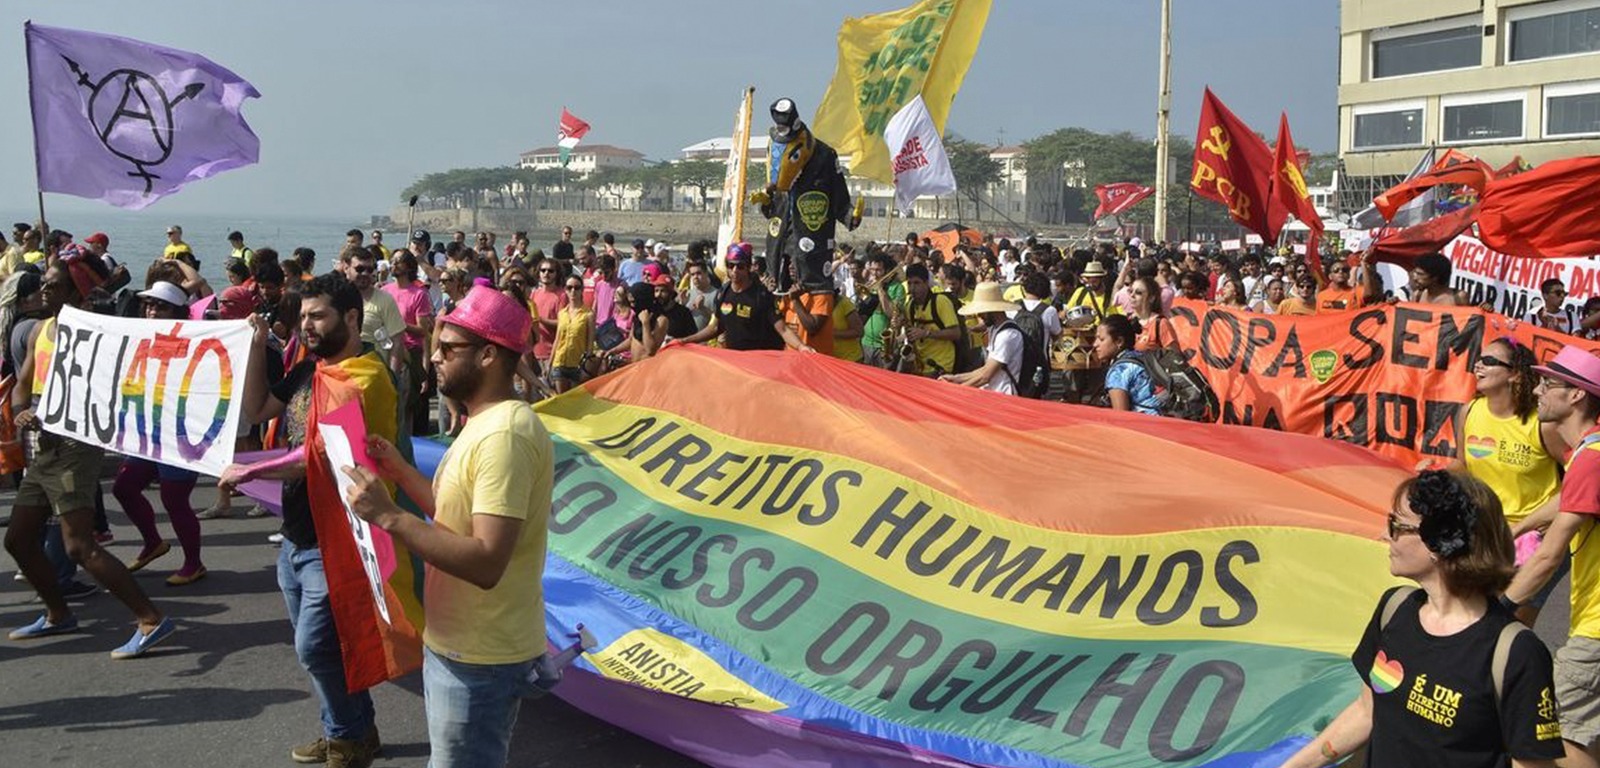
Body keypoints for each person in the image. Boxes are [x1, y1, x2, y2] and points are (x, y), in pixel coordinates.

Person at [343, 285, 553, 768]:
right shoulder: (484, 422)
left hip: (481, 654)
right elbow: (452, 513)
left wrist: (389, 516)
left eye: (448, 348)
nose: (433, 356)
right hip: (458, 642)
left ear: (488, 355)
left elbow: (485, 561)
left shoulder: (504, 435)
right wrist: (399, 471)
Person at [219, 272, 394, 767]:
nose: (308, 326)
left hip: (337, 540)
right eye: (303, 318)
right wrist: (257, 345)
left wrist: (249, 468)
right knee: (326, 650)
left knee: (315, 648)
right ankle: (353, 729)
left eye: (318, 316)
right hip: (295, 537)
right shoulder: (306, 371)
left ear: (352, 318)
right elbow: (256, 408)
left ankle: (346, 739)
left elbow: (320, 457)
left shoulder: (366, 377)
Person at [1279, 471, 1562, 768]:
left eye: (1397, 526)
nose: (1386, 535)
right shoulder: (1394, 609)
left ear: (1440, 542)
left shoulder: (1515, 651)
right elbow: (1366, 711)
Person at [5, 260, 175, 658]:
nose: (45, 291)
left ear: (76, 292)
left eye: (55, 285)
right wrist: (22, 410)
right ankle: (58, 614)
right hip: (42, 446)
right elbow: (23, 385)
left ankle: (150, 619)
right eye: (44, 284)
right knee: (17, 539)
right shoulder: (40, 330)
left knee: (79, 546)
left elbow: (118, 387)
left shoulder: (98, 333)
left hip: (75, 448)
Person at [1503, 345, 1600, 767]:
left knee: (1551, 735)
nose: (1538, 390)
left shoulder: (1591, 458)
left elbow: (1549, 555)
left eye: (1549, 383)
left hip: (1596, 627)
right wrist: (1520, 526)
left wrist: (1500, 607)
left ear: (1577, 395)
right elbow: (1569, 498)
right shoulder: (1590, 453)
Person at [1443, 338, 1566, 627]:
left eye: (1489, 361)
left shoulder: (1542, 423)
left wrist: (1553, 522)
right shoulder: (1469, 411)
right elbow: (1463, 463)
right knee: (1470, 618)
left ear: (1515, 374)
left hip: (1533, 541)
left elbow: (1575, 475)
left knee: (1510, 626)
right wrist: (1439, 474)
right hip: (1486, 533)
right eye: (1479, 359)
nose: (1478, 365)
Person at [113, 282, 208, 586]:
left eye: (161, 306)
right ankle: (153, 542)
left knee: (174, 499)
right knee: (124, 488)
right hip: (147, 433)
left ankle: (194, 563)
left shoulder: (196, 343)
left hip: (179, 435)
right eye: (149, 305)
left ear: (179, 311)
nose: (152, 311)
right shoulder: (141, 337)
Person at [672, 243, 811, 352]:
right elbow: (715, 328)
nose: (734, 271)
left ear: (748, 267)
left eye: (740, 266)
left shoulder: (761, 295)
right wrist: (685, 340)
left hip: (761, 361)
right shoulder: (723, 292)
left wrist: (801, 347)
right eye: (731, 265)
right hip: (736, 362)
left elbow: (783, 329)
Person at [382, 253, 435, 436]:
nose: (394, 264)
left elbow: (423, 331)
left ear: (409, 267)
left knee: (405, 405)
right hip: (386, 350)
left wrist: (399, 324)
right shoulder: (385, 290)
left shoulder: (419, 294)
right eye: (393, 261)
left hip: (409, 352)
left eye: (399, 261)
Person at [942, 283, 1024, 395]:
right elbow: (984, 370)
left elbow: (985, 376)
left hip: (1005, 397)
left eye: (982, 311)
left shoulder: (1007, 335)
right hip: (995, 394)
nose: (979, 315)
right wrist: (956, 378)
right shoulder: (995, 328)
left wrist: (957, 390)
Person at [1094, 315, 1161, 415]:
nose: (1095, 344)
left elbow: (1121, 417)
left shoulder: (1119, 372)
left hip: (1148, 426)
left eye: (1101, 339)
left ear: (1119, 341)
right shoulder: (1141, 357)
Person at [901, 263, 960, 376]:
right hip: (921, 365)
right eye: (909, 283)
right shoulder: (910, 306)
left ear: (926, 283)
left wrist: (926, 333)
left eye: (917, 283)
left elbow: (956, 333)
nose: (912, 288)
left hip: (941, 365)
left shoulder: (941, 301)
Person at [550, 276, 593, 394]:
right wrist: (550, 364)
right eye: (569, 288)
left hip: (577, 364)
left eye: (577, 288)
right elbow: (557, 340)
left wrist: (587, 367)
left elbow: (590, 344)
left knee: (576, 403)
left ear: (582, 290)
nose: (573, 291)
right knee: (561, 401)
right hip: (559, 361)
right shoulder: (562, 313)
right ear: (565, 290)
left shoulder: (588, 314)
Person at [529, 258, 568, 376]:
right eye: (543, 270)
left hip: (551, 353)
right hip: (533, 351)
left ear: (556, 274)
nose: (546, 273)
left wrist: (539, 319)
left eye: (551, 271)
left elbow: (562, 324)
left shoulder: (562, 295)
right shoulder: (534, 293)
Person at [1129, 277, 1177, 352]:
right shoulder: (1127, 320)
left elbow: (1173, 355)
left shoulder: (1161, 323)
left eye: (1138, 293)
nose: (1132, 295)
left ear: (1151, 298)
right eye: (1130, 291)